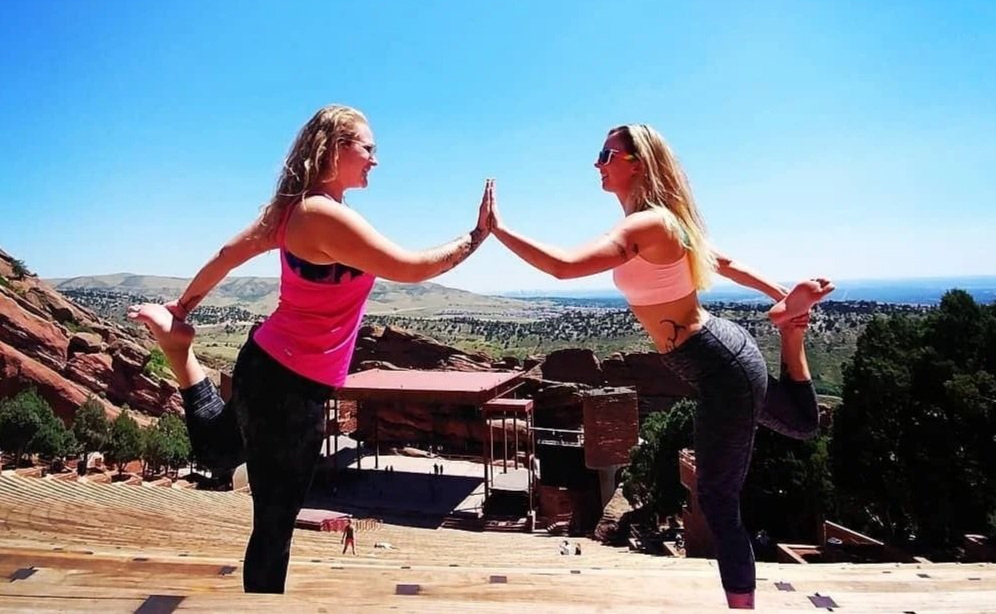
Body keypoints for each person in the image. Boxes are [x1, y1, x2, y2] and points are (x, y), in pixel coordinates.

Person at [128, 104, 490, 594]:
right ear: (334, 148)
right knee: (275, 525)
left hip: (270, 364)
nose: (375, 160)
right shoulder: (320, 213)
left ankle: (179, 349)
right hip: (291, 386)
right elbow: (410, 267)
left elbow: (225, 256)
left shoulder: (291, 210)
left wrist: (184, 306)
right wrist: (475, 237)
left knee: (223, 454)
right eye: (368, 148)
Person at [488, 124, 833, 610]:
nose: (597, 164)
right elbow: (725, 262)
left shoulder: (648, 224)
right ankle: (788, 330)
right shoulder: (666, 221)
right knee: (799, 424)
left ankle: (744, 607)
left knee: (716, 501)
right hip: (721, 356)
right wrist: (781, 299)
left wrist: (498, 230)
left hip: (719, 365)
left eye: (607, 154)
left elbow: (564, 266)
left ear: (639, 162)